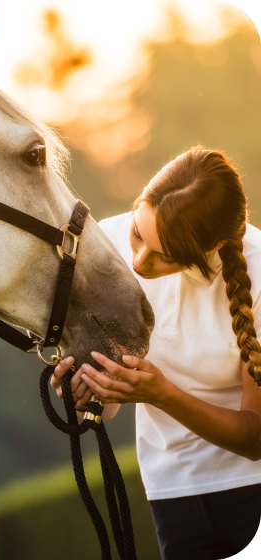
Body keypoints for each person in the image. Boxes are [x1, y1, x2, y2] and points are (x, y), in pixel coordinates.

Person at [51, 146, 261, 560]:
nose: (139, 262)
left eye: (165, 256)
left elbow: (256, 438)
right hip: (171, 489)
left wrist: (161, 393)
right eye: (137, 233)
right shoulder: (102, 248)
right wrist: (91, 388)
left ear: (214, 247)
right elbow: (108, 407)